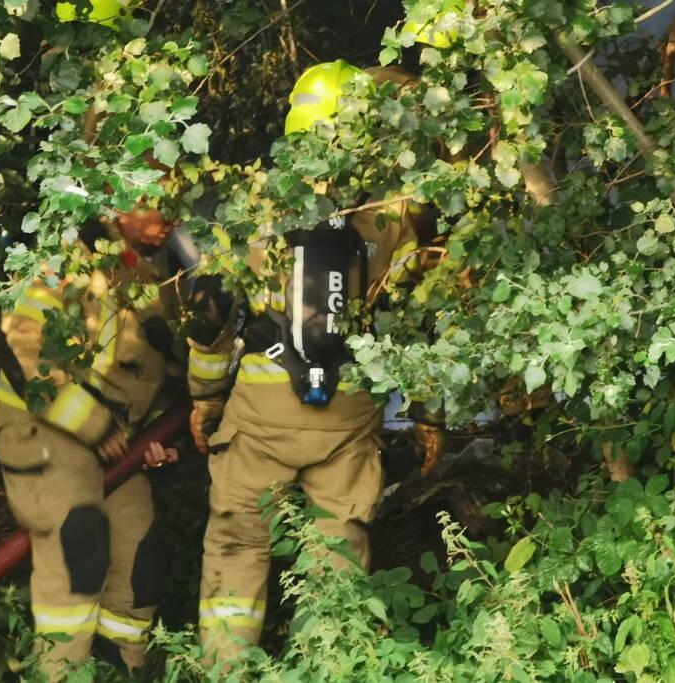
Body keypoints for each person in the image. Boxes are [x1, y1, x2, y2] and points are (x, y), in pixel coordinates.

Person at [185, 59, 447, 666]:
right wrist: (427, 413)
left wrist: (205, 399)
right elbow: (423, 323)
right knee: (339, 554)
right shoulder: (397, 214)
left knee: (237, 548)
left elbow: (208, 318)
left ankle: (227, 671)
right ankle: (327, 666)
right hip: (348, 416)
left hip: (259, 417)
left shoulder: (255, 206)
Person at [0, 202, 185, 678]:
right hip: (40, 432)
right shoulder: (64, 258)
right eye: (160, 201)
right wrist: (96, 426)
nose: (172, 217)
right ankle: (59, 673)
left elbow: (154, 374)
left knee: (143, 553)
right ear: (120, 201)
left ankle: (123, 670)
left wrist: (160, 441)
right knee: (82, 547)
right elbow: (25, 351)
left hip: (114, 442)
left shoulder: (150, 278)